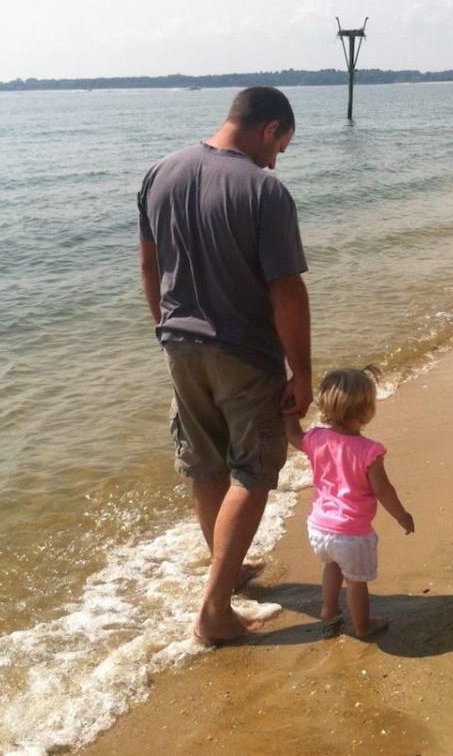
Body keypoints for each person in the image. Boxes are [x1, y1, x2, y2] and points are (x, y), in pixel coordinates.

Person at [138, 87, 311, 643]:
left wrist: (165, 328)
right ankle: (214, 611)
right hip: (242, 349)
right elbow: (285, 289)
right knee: (253, 470)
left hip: (180, 344)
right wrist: (301, 372)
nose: (277, 157)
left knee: (206, 463)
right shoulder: (264, 190)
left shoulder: (159, 173)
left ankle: (228, 570)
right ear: (269, 128)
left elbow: (150, 264)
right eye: (281, 145)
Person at [284, 366, 414, 638]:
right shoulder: (369, 451)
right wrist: (401, 515)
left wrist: (288, 414)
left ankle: (328, 609)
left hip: (318, 528)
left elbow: (295, 437)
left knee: (331, 565)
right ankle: (362, 625)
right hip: (351, 534)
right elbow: (383, 489)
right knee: (356, 583)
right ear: (367, 411)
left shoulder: (317, 438)